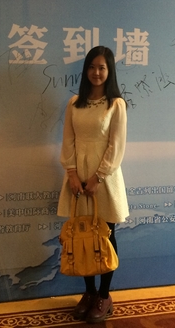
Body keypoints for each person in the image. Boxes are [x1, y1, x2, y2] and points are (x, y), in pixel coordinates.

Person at [57, 45, 129, 324]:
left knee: (105, 235)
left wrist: (99, 177)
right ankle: (88, 293)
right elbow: (68, 140)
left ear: (109, 72)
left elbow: (116, 145)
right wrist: (72, 173)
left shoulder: (116, 104)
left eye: (101, 67)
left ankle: (104, 295)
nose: (96, 72)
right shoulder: (74, 103)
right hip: (77, 176)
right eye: (91, 67)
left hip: (104, 179)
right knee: (82, 233)